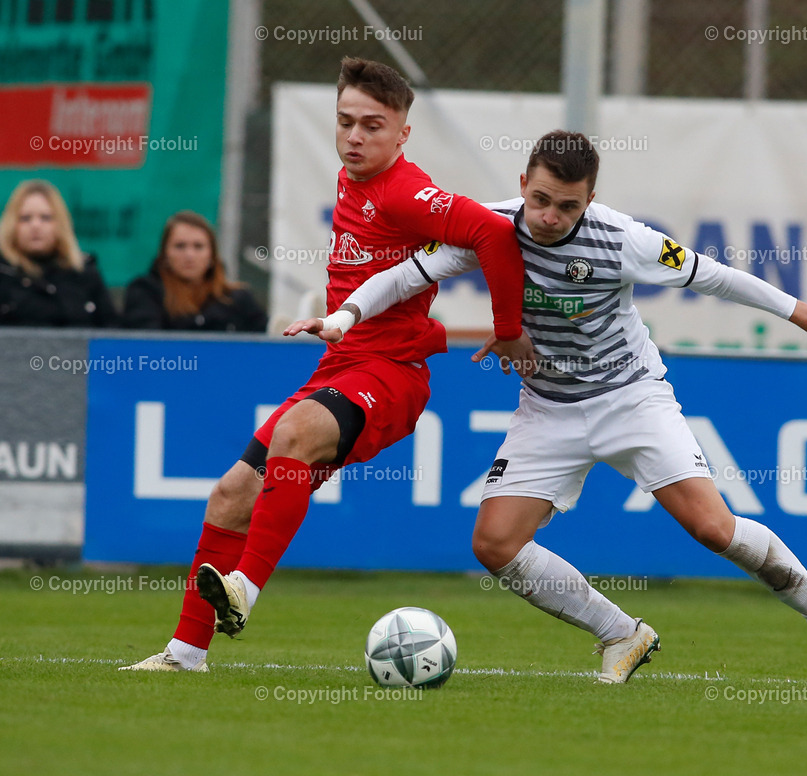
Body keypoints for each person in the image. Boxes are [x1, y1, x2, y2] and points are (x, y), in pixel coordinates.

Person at [327, 130, 807, 690]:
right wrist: (343, 318)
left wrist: (801, 312)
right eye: (540, 199)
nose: (549, 216)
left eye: (568, 206)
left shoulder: (624, 239)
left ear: (589, 200)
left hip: (631, 398)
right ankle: (621, 633)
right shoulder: (487, 226)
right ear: (522, 186)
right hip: (548, 408)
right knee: (494, 545)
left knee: (714, 529)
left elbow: (711, 275)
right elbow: (402, 276)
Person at [121, 57, 533, 672]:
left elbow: (494, 236)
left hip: (391, 373)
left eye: (372, 125)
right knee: (232, 494)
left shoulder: (404, 191)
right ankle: (185, 654)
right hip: (343, 364)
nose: (355, 137)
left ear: (402, 134)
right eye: (345, 123)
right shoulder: (353, 178)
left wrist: (508, 331)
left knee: (293, 435)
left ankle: (245, 590)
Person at [123, 211, 268, 332]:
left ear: (212, 255)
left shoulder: (238, 299)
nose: (189, 255)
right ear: (165, 254)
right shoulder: (145, 292)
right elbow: (146, 346)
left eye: (198, 246)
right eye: (180, 246)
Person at [0, 179, 118, 327]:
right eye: (25, 218)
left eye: (46, 218)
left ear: (60, 224)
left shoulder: (85, 275)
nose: (35, 225)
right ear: (11, 225)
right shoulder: (3, 275)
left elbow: (112, 336)